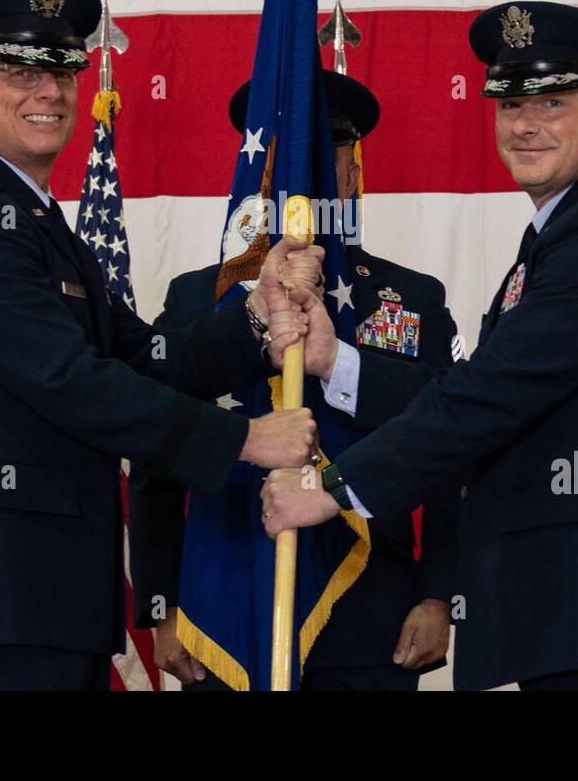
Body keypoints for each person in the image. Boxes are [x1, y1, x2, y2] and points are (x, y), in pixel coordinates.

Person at [261, 2, 578, 691]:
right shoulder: (559, 233)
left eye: (552, 101)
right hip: (566, 614)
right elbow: (486, 392)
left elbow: (488, 397)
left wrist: (332, 487)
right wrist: (337, 363)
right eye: (510, 102)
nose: (524, 123)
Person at [0, 0, 322, 691]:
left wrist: (256, 312)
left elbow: (143, 354)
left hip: (51, 607)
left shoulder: (38, 224)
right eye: (21, 71)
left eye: (63, 69)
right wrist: (243, 439)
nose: (50, 92)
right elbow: (73, 383)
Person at [129, 70, 459, 691]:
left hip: (373, 610)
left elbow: (451, 448)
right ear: (259, 170)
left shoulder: (411, 299)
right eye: (285, 156)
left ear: (352, 169)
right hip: (222, 602)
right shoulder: (202, 298)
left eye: (324, 151)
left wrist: (439, 596)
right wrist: (162, 604)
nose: (301, 176)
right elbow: (157, 455)